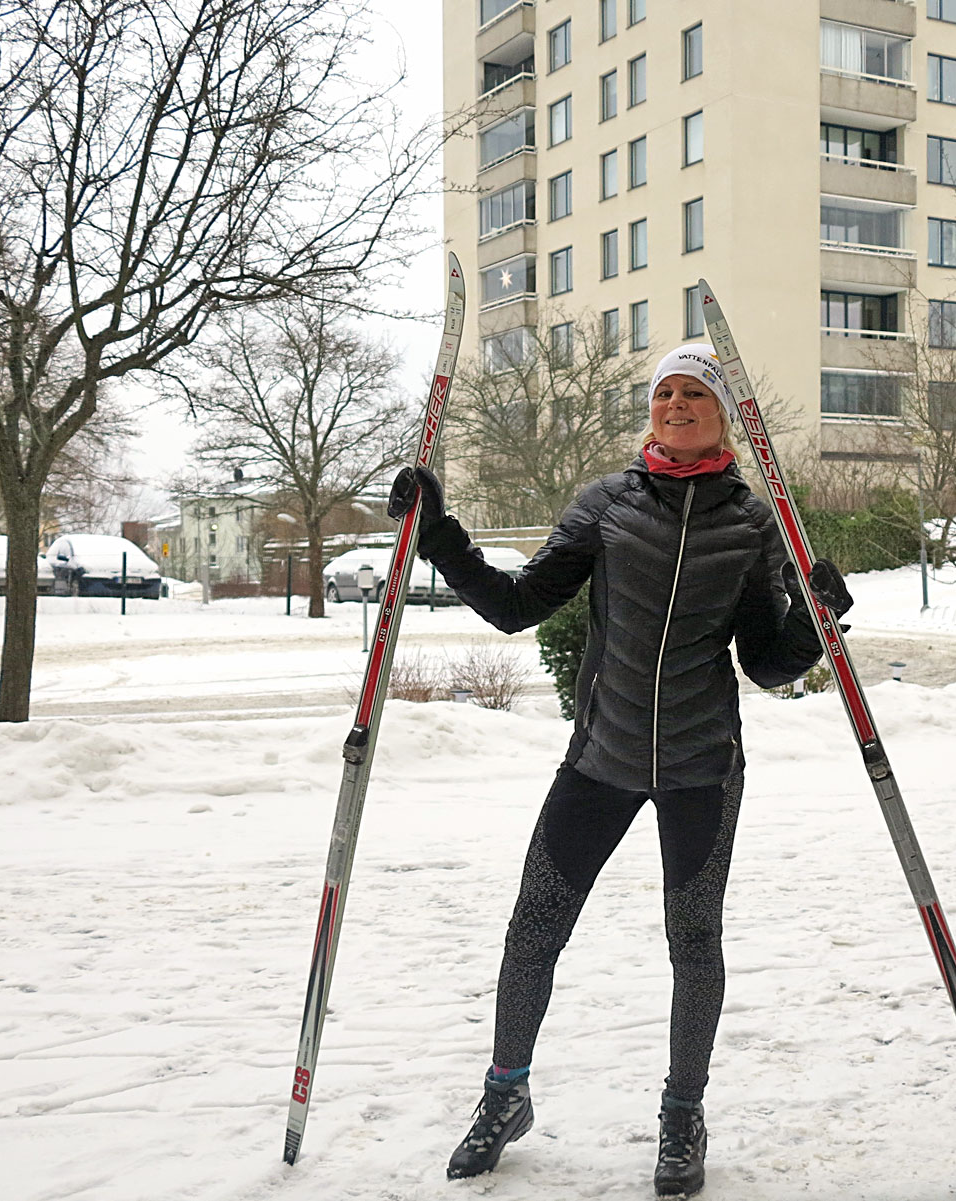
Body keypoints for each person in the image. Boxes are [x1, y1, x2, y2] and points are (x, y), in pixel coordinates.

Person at [388, 344, 854, 1197]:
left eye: (694, 393)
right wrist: (438, 534)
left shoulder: (753, 524)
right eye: (665, 392)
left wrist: (818, 619)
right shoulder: (607, 503)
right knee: (534, 925)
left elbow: (766, 661)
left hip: (702, 765)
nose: (676, 404)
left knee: (694, 941)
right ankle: (505, 1094)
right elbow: (516, 605)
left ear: (724, 415)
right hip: (602, 755)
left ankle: (683, 1114)